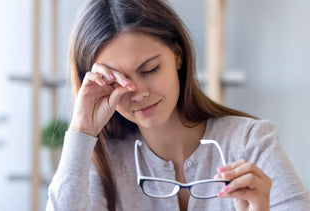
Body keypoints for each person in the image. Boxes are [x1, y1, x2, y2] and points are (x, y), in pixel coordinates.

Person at [46, 0, 310, 210]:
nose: (138, 93)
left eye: (150, 69)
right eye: (117, 81)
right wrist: (82, 130)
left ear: (178, 56)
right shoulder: (102, 162)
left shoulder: (249, 141)